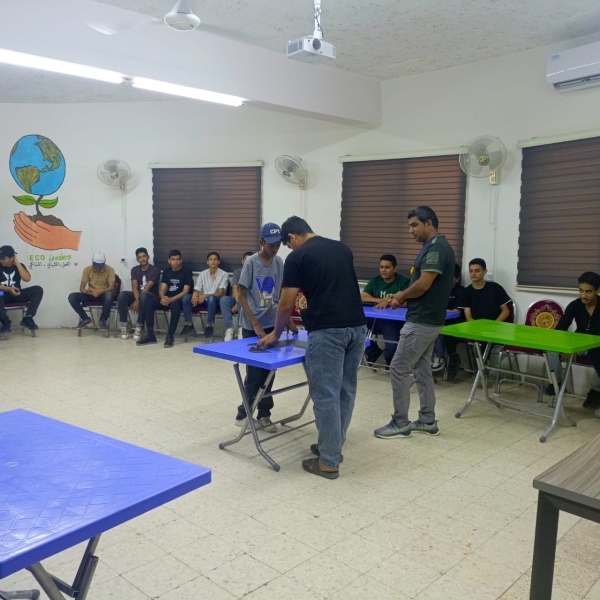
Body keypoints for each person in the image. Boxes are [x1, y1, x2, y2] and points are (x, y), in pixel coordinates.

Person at [258, 216, 367, 480]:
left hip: (328, 332)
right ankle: (333, 447)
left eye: (287, 244)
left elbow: (286, 303)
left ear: (291, 237)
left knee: (326, 395)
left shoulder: (298, 256)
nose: (289, 249)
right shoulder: (341, 248)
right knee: (345, 391)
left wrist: (275, 333)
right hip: (357, 328)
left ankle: (328, 462)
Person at [374, 206, 455, 439]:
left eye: (414, 225)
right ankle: (428, 420)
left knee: (398, 367)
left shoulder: (436, 248)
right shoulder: (433, 246)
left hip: (422, 322)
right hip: (428, 319)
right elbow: (423, 287)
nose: (410, 230)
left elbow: (423, 284)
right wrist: (403, 298)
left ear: (429, 223)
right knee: (421, 369)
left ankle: (400, 422)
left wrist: (400, 295)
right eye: (409, 225)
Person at [235, 224, 297, 433]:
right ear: (261, 242)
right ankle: (243, 413)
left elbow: (280, 294)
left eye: (278, 245)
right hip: (252, 325)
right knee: (254, 373)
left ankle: (264, 414)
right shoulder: (251, 263)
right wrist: (254, 323)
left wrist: (286, 319)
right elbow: (241, 295)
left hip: (272, 324)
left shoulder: (279, 262)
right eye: (271, 245)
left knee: (270, 372)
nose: (275, 249)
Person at [547, 271, 600, 410]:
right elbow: (561, 328)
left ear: (598, 291)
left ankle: (596, 391)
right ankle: (557, 383)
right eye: (581, 290)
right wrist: (567, 346)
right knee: (551, 347)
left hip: (597, 346)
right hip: (578, 344)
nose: (583, 295)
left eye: (588, 291)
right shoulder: (575, 305)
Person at [361, 254, 410, 368]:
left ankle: (389, 357)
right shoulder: (375, 280)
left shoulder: (404, 282)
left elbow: (408, 301)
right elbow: (363, 297)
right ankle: (373, 352)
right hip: (374, 320)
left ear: (395, 269)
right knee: (356, 326)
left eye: (387, 267)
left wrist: (387, 303)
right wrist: (382, 300)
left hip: (394, 322)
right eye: (381, 267)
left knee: (391, 342)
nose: (383, 270)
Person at [137, 250, 193, 348]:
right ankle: (150, 335)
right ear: (169, 261)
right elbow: (162, 289)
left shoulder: (187, 271)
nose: (175, 262)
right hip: (168, 297)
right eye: (173, 259)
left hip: (180, 299)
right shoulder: (167, 271)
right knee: (149, 303)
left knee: (175, 305)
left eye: (178, 259)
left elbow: (185, 291)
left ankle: (170, 335)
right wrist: (163, 298)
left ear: (181, 260)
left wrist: (170, 300)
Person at [117, 247, 161, 340]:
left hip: (151, 296)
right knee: (122, 295)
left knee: (143, 295)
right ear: (137, 259)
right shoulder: (134, 270)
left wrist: (138, 301)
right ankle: (124, 324)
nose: (142, 259)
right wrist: (137, 300)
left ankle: (139, 326)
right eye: (140, 257)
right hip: (139, 296)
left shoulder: (155, 270)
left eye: (144, 256)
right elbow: (134, 287)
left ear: (148, 257)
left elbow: (148, 287)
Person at [431, 263, 465, 378]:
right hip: (438, 319)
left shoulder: (461, 291)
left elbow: (457, 311)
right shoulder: (438, 289)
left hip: (455, 322)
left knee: (440, 328)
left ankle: (440, 357)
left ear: (456, 279)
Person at [0, 245, 44, 333]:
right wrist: (8, 289)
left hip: (17, 293)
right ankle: (5, 322)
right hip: (2, 294)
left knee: (37, 289)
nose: (1, 261)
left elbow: (27, 278)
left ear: (12, 258)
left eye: (4, 259)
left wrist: (17, 263)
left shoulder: (19, 266)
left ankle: (28, 318)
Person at [185, 252, 229, 339]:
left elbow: (220, 293)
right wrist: (195, 295)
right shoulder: (202, 274)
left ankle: (209, 325)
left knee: (211, 298)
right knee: (186, 298)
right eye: (210, 259)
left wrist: (205, 296)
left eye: (215, 259)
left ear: (218, 261)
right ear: (207, 262)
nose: (213, 261)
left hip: (216, 301)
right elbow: (197, 288)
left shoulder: (224, 274)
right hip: (203, 300)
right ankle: (189, 324)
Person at [68, 252, 115, 331]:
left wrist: (100, 291)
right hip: (90, 294)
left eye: (100, 265)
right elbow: (82, 288)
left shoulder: (110, 270)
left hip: (103, 295)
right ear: (92, 262)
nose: (98, 267)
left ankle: (103, 320)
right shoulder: (87, 270)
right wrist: (87, 292)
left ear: (104, 263)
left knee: (109, 295)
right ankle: (85, 319)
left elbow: (111, 287)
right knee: (72, 297)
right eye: (96, 265)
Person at [459, 258, 511, 322]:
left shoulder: (495, 288)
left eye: (477, 271)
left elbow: (505, 311)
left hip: (494, 325)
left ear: (485, 271)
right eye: (471, 271)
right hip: (475, 326)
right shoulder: (465, 292)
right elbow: (468, 318)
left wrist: (493, 325)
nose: (473, 274)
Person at [220, 251, 253, 342]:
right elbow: (235, 288)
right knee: (224, 300)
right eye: (246, 260)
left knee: (243, 301)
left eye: (250, 260)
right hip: (237, 298)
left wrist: (239, 303)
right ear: (242, 261)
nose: (247, 262)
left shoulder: (256, 272)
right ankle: (229, 329)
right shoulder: (238, 272)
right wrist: (238, 302)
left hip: (249, 300)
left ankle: (241, 328)